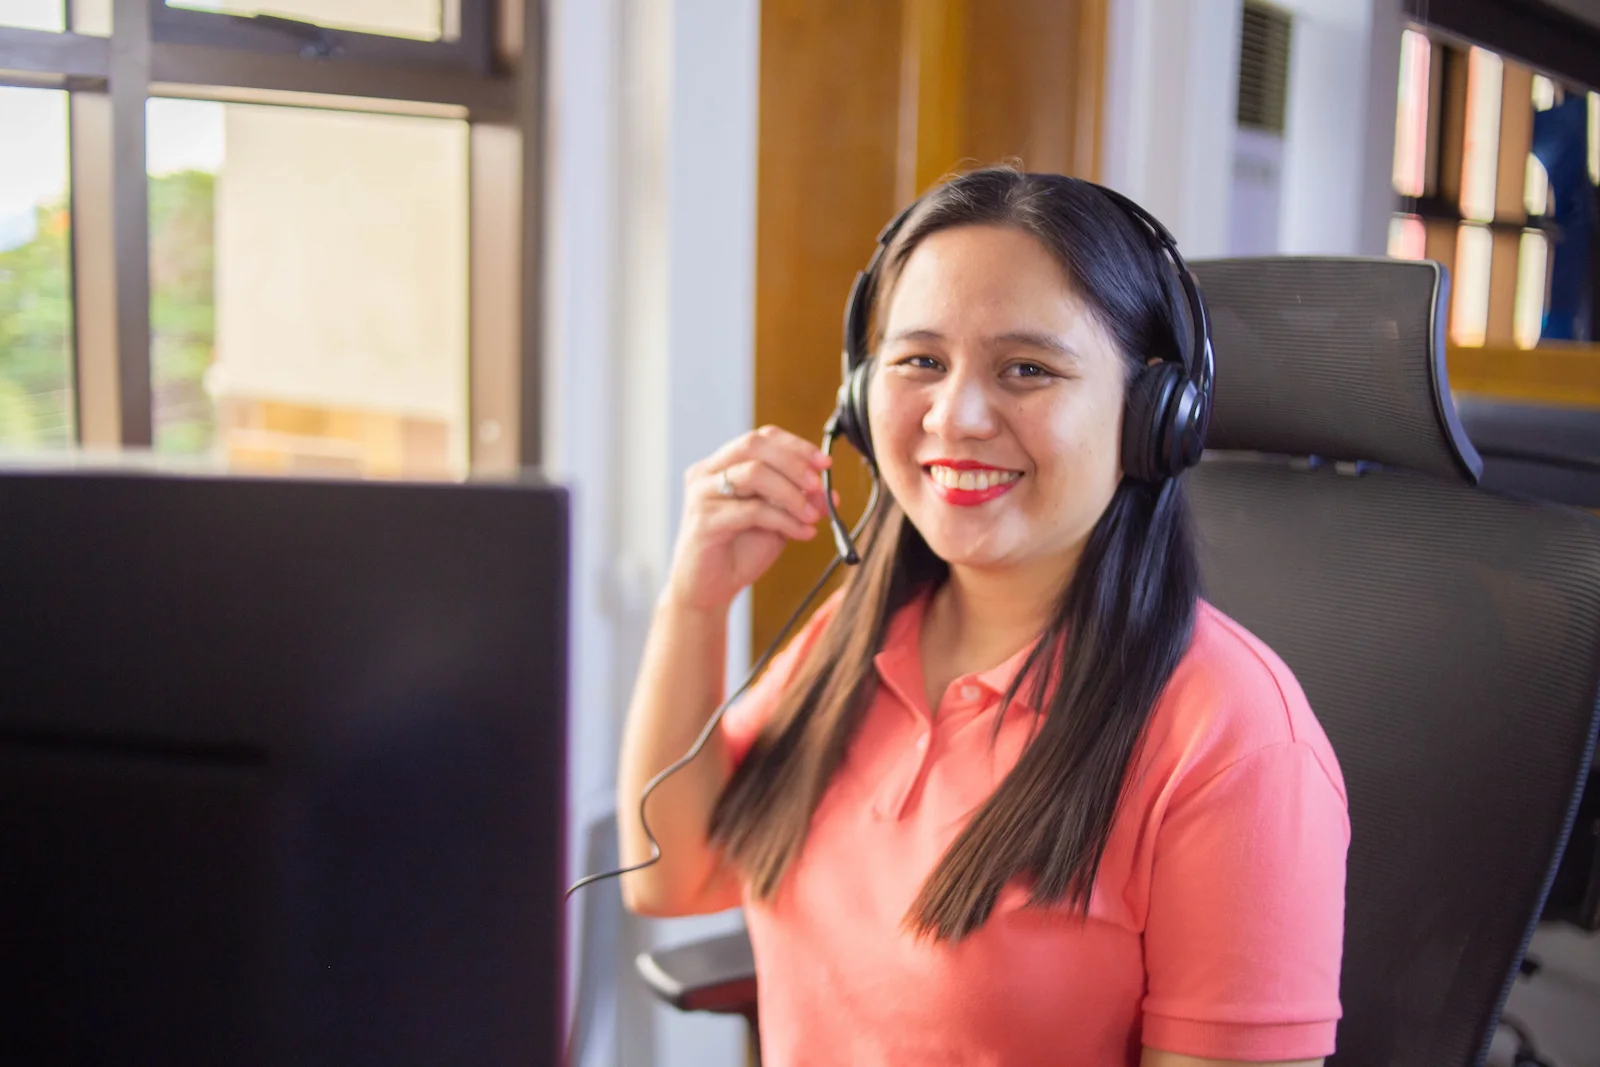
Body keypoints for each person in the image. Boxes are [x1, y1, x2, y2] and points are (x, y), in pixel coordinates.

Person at [615, 166, 1349, 1067]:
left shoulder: (1235, 743)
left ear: (1153, 414)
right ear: (858, 393)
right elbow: (667, 871)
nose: (955, 415)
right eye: (920, 360)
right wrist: (694, 600)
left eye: (1027, 369)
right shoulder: (855, 636)